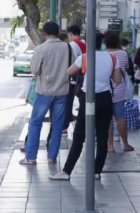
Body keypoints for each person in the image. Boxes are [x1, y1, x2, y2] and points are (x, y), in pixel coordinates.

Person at [49, 31, 122, 180]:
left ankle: (66, 172)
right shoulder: (112, 57)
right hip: (105, 99)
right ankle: (96, 172)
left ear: (88, 43)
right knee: (102, 136)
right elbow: (118, 80)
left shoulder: (84, 57)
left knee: (79, 137)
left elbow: (68, 72)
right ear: (101, 43)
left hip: (88, 99)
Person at [19, 22, 71, 165]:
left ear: (45, 33)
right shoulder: (67, 47)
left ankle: (31, 157)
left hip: (44, 91)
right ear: (58, 31)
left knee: (35, 123)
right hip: (62, 91)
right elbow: (72, 67)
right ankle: (52, 156)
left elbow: (35, 70)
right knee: (57, 125)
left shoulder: (41, 49)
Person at [105, 32, 134, 153]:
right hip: (120, 90)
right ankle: (125, 144)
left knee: (108, 119)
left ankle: (110, 146)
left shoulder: (104, 55)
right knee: (120, 117)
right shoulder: (123, 53)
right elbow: (127, 67)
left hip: (106, 89)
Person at [64, 24, 86, 131]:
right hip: (84, 75)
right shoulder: (83, 43)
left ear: (71, 34)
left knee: (68, 100)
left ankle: (65, 124)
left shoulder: (72, 45)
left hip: (75, 75)